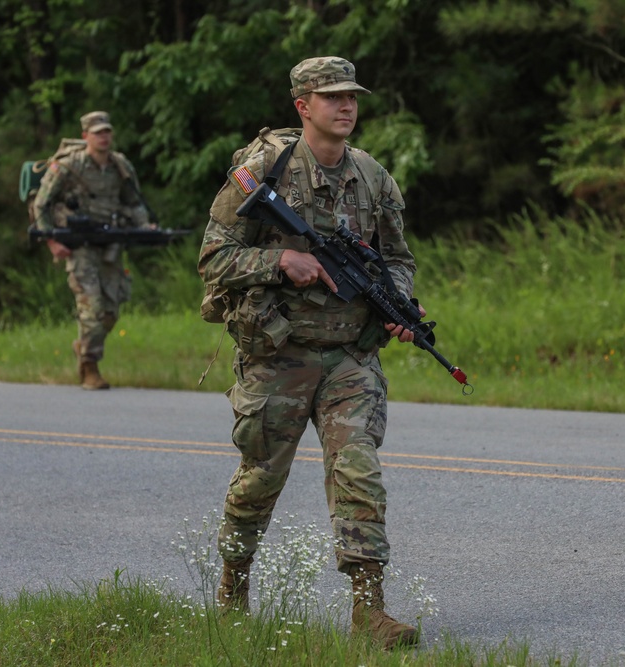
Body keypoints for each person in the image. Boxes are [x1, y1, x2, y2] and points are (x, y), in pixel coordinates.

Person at [197, 56, 421, 649]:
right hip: (279, 354)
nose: (346, 106)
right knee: (259, 479)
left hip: (351, 356)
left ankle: (369, 612)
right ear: (303, 106)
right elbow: (213, 257)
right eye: (332, 97)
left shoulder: (373, 177)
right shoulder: (261, 171)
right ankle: (232, 591)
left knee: (360, 475)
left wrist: (399, 304)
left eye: (352, 96)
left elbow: (397, 258)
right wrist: (280, 261)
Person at [32, 111, 150, 390]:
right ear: (85, 136)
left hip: (110, 246)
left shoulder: (120, 166)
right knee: (93, 310)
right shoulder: (69, 166)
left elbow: (133, 202)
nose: (104, 137)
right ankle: (89, 369)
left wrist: (146, 225)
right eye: (97, 132)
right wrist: (52, 241)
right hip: (80, 248)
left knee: (111, 311)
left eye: (107, 131)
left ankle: (84, 346)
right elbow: (41, 205)